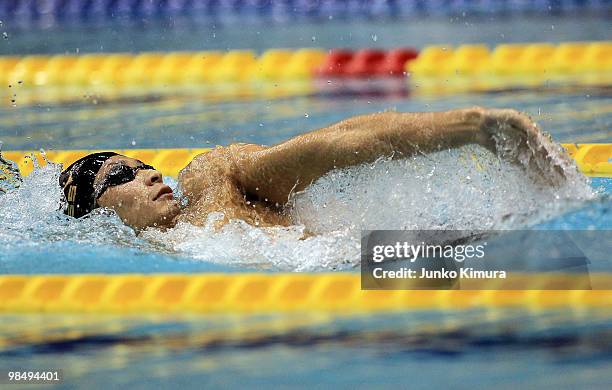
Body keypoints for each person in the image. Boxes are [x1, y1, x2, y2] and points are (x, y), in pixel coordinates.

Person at [59, 107, 569, 230]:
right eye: (121, 176)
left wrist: (473, 127)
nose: (148, 175)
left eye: (144, 166)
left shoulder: (213, 182)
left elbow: (328, 147)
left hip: (376, 263)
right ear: (92, 212)